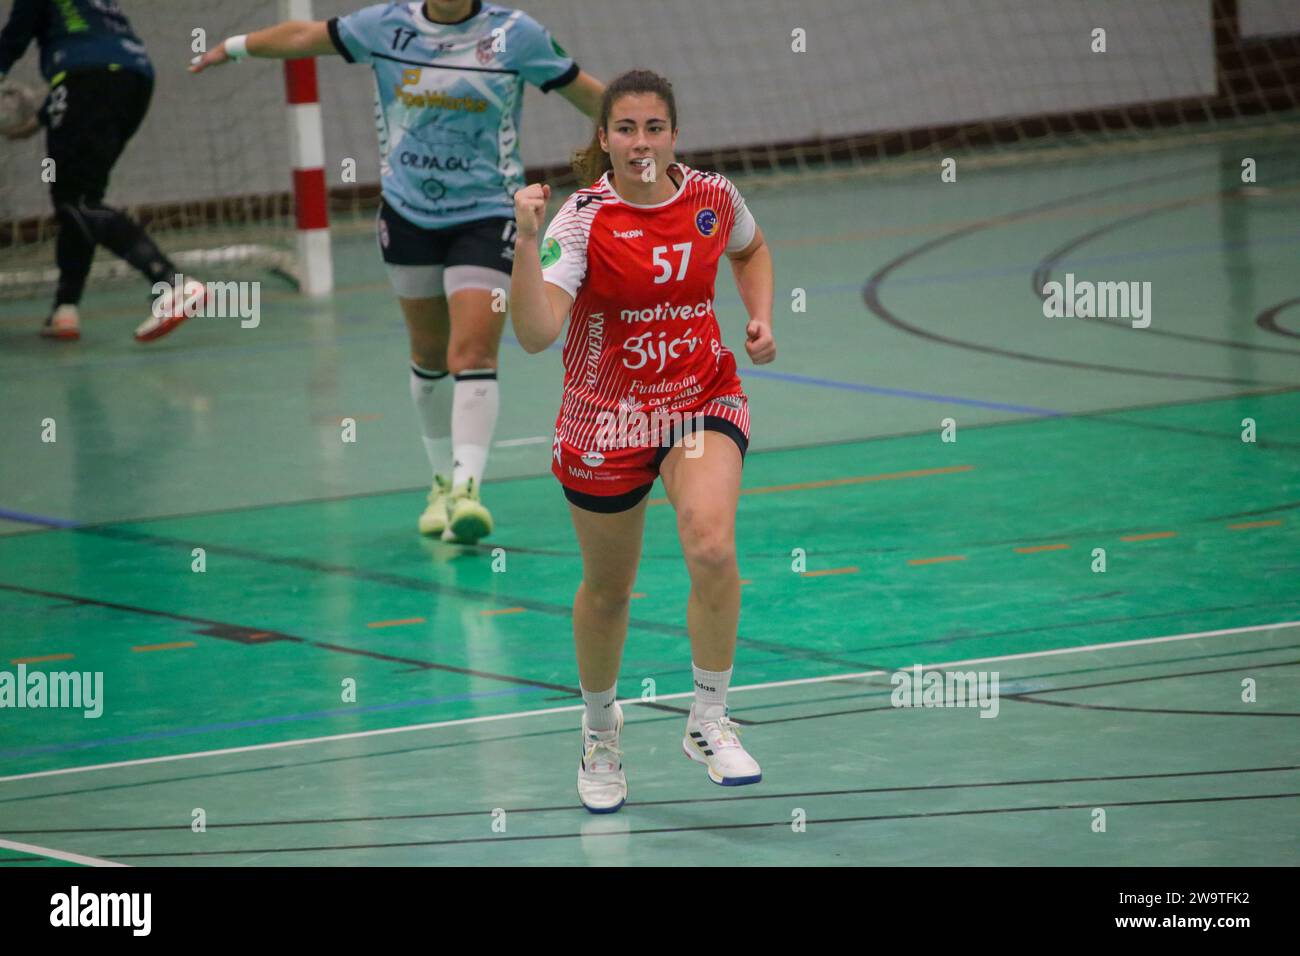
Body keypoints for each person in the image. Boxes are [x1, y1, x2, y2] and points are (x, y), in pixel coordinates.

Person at [192, 1, 604, 543]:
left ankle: (466, 491)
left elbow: (598, 100)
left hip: (487, 214)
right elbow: (302, 37)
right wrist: (236, 46)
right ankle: (439, 483)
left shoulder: (514, 35)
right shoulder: (385, 26)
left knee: (472, 353)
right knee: (430, 357)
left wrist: (641, 147)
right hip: (408, 216)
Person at [510, 69, 777, 812]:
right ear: (604, 138)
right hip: (606, 419)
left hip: (699, 397)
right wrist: (525, 245)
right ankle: (600, 730)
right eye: (624, 129)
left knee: (712, 544)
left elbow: (751, 250)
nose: (640, 142)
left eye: (653, 128)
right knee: (608, 590)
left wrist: (759, 316)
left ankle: (709, 718)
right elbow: (535, 334)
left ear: (674, 135)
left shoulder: (713, 198)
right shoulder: (582, 219)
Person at [0, 0, 202, 343]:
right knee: (81, 200)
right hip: (133, 81)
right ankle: (65, 309)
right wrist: (48, 110)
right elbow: (96, 48)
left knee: (75, 199)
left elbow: (14, 38)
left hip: (86, 80)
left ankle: (172, 282)